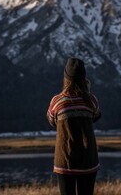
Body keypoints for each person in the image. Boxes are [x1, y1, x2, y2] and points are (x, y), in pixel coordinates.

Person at [46, 57, 101, 195]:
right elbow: (96, 116)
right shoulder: (91, 100)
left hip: (65, 160)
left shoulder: (57, 101)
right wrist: (87, 92)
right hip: (88, 160)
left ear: (66, 78)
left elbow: (52, 121)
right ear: (84, 78)